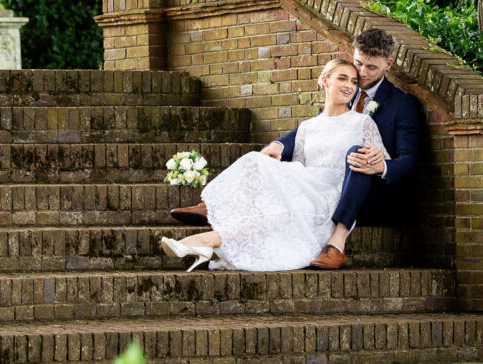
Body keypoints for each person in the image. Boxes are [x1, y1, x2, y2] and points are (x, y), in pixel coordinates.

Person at [168, 27, 422, 270]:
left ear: (388, 65)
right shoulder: (344, 92)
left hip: (370, 191)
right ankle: (216, 207)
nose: (362, 72)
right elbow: (321, 129)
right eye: (358, 64)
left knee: (357, 154)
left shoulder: (402, 104)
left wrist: (382, 165)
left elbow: (409, 161)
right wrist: (279, 144)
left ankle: (336, 243)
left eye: (371, 67)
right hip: (321, 182)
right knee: (259, 161)